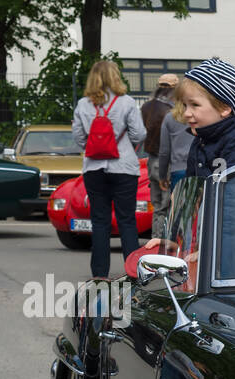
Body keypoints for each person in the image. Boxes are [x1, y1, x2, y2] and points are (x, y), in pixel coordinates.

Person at [72, 59, 146, 279]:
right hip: (123, 167)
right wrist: (124, 144)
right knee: (126, 221)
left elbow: (78, 137)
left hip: (94, 168)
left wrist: (95, 147)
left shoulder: (83, 105)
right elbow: (140, 134)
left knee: (100, 221)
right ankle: (133, 274)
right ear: (115, 76)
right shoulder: (126, 102)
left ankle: (100, 274)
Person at [182, 57, 235, 181]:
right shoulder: (200, 140)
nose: (186, 113)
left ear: (224, 108)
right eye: (185, 105)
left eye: (195, 105)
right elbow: (191, 183)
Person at [140, 73, 178, 216]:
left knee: (157, 207)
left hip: (151, 160)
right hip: (168, 162)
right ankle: (163, 237)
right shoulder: (173, 111)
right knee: (168, 207)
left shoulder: (145, 107)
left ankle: (155, 237)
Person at [155, 94, 195, 230]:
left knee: (178, 211)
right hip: (197, 167)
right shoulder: (198, 116)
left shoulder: (169, 118)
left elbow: (164, 151)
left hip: (177, 169)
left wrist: (162, 176)